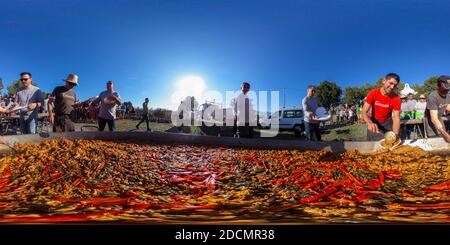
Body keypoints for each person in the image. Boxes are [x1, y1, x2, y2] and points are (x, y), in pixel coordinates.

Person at [361, 73, 401, 141]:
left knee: (391, 143)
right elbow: (364, 112)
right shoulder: (373, 93)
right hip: (374, 122)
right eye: (390, 83)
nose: (392, 87)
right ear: (384, 81)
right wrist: (369, 122)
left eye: (395, 85)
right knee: (374, 147)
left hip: (388, 123)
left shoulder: (396, 99)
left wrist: (396, 134)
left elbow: (396, 118)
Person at [424, 75, 450, 142]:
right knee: (434, 139)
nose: (447, 90)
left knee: (443, 138)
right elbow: (434, 119)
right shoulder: (432, 97)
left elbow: (448, 107)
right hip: (430, 120)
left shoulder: (448, 96)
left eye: (449, 88)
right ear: (439, 85)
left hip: (439, 117)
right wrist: (446, 135)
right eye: (445, 88)